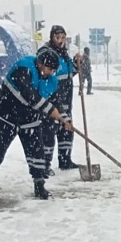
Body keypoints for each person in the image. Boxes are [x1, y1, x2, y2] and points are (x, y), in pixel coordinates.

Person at [0, 49, 72, 200]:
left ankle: (39, 185)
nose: (52, 73)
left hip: (30, 120)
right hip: (6, 117)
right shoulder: (23, 68)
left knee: (36, 152)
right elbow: (29, 94)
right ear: (41, 64)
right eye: (50, 69)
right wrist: (50, 110)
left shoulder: (51, 80)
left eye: (54, 70)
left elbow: (56, 101)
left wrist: (65, 119)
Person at [37, 25, 80, 174]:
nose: (60, 41)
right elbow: (45, 74)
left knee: (67, 130)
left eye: (63, 37)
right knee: (49, 133)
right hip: (52, 99)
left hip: (66, 99)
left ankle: (65, 160)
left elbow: (68, 74)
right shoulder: (47, 53)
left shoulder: (64, 54)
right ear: (52, 37)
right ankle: (45, 165)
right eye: (57, 37)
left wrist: (75, 64)